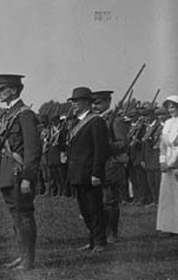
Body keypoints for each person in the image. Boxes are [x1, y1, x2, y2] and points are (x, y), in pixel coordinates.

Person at [0, 74, 40, 270]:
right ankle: (21, 255)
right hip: (6, 171)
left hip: (19, 173)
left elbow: (32, 149)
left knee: (24, 215)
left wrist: (28, 177)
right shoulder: (6, 115)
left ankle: (28, 259)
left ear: (14, 90)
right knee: (15, 216)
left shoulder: (25, 114)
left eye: (2, 89)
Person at [66, 87, 109, 253]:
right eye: (73, 102)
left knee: (95, 208)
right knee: (85, 210)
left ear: (86, 102)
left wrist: (96, 173)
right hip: (78, 173)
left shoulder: (96, 121)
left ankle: (100, 241)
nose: (74, 105)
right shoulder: (77, 122)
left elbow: (100, 150)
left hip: (90, 173)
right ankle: (92, 239)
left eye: (77, 102)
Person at [91, 90, 129, 243]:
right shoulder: (95, 120)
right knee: (98, 202)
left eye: (99, 102)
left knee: (109, 201)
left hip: (110, 165)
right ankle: (101, 232)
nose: (95, 106)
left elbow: (123, 144)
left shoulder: (116, 120)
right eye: (93, 103)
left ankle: (112, 233)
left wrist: (106, 145)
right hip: (97, 165)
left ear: (108, 102)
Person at [156, 95, 178, 235]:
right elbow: (163, 145)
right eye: (169, 107)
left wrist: (171, 164)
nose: (171, 110)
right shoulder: (168, 123)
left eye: (173, 107)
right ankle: (169, 226)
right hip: (168, 163)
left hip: (176, 163)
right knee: (168, 196)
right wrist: (163, 161)